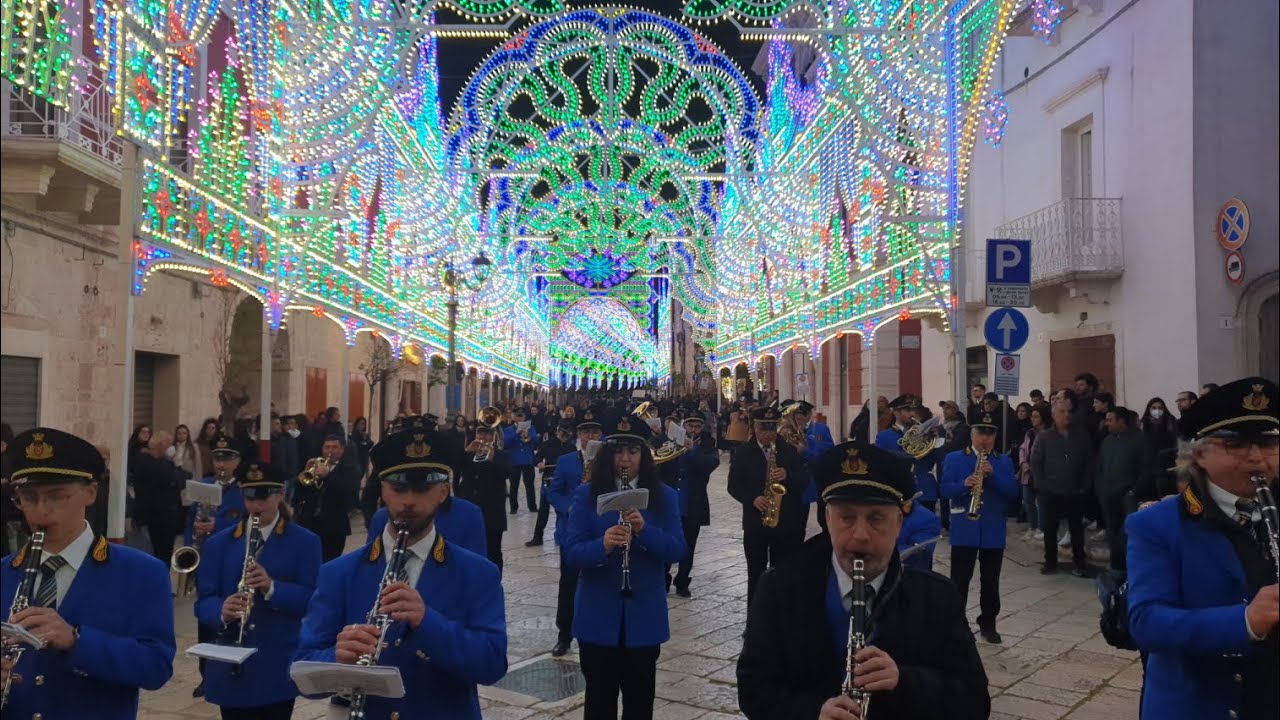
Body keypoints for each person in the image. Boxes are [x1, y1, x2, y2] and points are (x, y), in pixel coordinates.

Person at [737, 441, 990, 719]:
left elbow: (975, 702)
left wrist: (904, 681)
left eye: (876, 518)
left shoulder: (939, 597)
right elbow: (753, 691)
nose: (860, 535)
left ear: (898, 525)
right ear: (827, 519)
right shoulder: (778, 588)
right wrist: (812, 713)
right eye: (846, 517)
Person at [294, 431, 507, 719]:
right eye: (398, 488)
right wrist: (337, 657)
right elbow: (304, 671)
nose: (408, 501)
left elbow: (492, 665)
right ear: (383, 490)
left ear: (443, 492)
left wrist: (426, 621)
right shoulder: (338, 573)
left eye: (421, 490)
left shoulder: (478, 573)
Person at [1126, 377, 1279, 720]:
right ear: (1200, 455)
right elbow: (1146, 621)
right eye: (1237, 445)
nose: (1257, 458)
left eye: (1268, 443)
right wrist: (1245, 621)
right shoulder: (1156, 525)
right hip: (1202, 705)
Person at [1, 428, 175, 718]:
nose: (40, 512)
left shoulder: (142, 573)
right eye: (27, 498)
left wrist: (77, 642)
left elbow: (156, 668)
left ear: (91, 493)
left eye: (56, 496)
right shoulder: (5, 571)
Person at [563, 434, 686, 720]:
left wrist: (645, 531)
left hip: (644, 614)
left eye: (633, 452)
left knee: (640, 702)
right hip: (597, 613)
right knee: (599, 701)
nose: (626, 459)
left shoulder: (664, 496)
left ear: (644, 457)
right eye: (619, 453)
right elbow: (571, 553)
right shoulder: (587, 494)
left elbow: (677, 550)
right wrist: (602, 545)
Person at [194, 462, 321, 720]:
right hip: (231, 662)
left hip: (275, 663)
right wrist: (222, 611)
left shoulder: (304, 542)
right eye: (249, 498)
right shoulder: (219, 543)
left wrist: (272, 587)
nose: (255, 506)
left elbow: (312, 600)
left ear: (280, 494)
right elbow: (203, 601)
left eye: (263, 497)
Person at [941, 413, 1018, 644]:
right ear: (972, 434)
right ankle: (956, 624)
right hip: (965, 527)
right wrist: (964, 484)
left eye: (990, 434)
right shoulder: (955, 459)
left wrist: (992, 477)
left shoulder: (1002, 461)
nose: (985, 438)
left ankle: (989, 623)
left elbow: (1013, 493)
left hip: (992, 530)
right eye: (980, 433)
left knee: (991, 581)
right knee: (959, 581)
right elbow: (944, 490)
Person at [728, 405, 809, 610]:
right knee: (755, 573)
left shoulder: (789, 450)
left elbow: (805, 481)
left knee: (782, 573)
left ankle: (779, 618)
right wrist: (752, 499)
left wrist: (787, 475)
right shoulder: (742, 452)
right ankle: (754, 620)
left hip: (785, 524)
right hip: (756, 524)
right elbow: (734, 486)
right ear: (754, 427)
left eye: (772, 428)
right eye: (763, 429)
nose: (768, 434)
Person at [544, 416, 604, 657]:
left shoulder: (607, 460)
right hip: (571, 529)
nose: (590, 437)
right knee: (568, 584)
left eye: (594, 432)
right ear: (579, 435)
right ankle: (564, 634)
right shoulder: (566, 460)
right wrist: (568, 506)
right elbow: (553, 491)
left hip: (598, 529)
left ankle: (596, 631)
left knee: (598, 582)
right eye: (586, 432)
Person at [1031, 403, 1095, 577]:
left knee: (1076, 529)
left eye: (1069, 411)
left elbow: (1089, 462)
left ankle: (1080, 562)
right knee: (1050, 529)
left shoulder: (1081, 435)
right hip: (1050, 491)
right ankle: (1050, 562)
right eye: (1062, 411)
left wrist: (1085, 485)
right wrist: (1041, 486)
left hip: (1075, 490)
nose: (1066, 415)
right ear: (1054, 415)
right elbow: (1035, 462)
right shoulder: (1044, 437)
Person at [672, 415, 720, 597]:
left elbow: (709, 465)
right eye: (690, 426)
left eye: (697, 426)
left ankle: (682, 581)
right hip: (673, 501)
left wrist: (692, 451)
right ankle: (663, 578)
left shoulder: (708, 447)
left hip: (694, 502)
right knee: (668, 540)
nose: (693, 430)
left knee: (689, 545)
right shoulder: (673, 442)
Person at [293, 435, 361, 562]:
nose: (330, 451)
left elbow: (347, 490)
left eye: (334, 447)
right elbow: (299, 494)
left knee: (329, 562)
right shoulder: (315, 466)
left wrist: (328, 475)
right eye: (327, 447)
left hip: (334, 526)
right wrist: (306, 472)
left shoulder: (350, 468)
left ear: (342, 450)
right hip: (310, 522)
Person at [1095, 407, 1144, 571]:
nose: (1106, 423)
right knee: (1112, 531)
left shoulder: (1139, 439)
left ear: (1121, 421)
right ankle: (1116, 566)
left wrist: (1134, 489)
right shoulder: (1107, 441)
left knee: (1128, 532)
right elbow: (1100, 467)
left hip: (1128, 495)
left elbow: (1145, 468)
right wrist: (1100, 488)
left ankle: (1131, 566)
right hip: (1108, 494)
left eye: (1110, 420)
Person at [460, 421, 511, 571]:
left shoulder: (502, 455)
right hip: (470, 510)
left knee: (493, 552)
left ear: (494, 436)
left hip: (493, 512)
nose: (484, 437)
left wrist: (493, 458)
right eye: (480, 433)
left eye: (488, 433)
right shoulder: (468, 454)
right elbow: (455, 471)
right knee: (469, 551)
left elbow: (507, 473)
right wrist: (465, 452)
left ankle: (495, 583)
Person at [528, 420, 575, 547]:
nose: (565, 436)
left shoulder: (572, 447)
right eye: (562, 433)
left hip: (565, 483)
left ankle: (562, 536)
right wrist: (539, 463)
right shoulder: (547, 444)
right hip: (549, 480)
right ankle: (538, 537)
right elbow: (536, 457)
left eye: (567, 434)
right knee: (543, 510)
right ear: (557, 432)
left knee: (563, 510)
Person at [504, 408, 540, 514]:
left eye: (521, 416)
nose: (519, 418)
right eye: (517, 415)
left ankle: (532, 506)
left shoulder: (531, 428)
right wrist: (516, 433)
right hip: (514, 460)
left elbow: (537, 441)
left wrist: (528, 434)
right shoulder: (508, 429)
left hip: (527, 459)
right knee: (514, 485)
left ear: (524, 417)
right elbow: (505, 444)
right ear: (513, 417)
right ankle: (513, 507)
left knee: (529, 484)